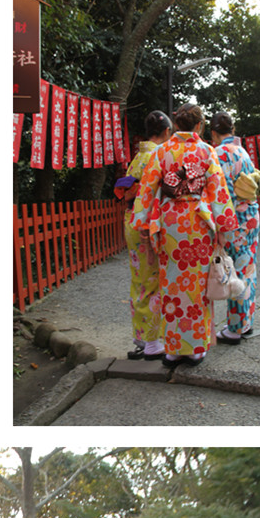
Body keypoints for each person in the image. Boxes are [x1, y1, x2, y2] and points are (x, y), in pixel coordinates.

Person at [131, 102, 238, 368]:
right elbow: (219, 192)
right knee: (198, 286)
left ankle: (173, 349)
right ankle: (195, 349)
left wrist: (143, 224)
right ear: (200, 126)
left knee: (171, 284)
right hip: (199, 223)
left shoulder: (163, 151)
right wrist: (224, 228)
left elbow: (146, 190)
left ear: (176, 124)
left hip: (170, 224)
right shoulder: (207, 151)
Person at [114, 110, 173, 359]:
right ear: (167, 132)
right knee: (152, 281)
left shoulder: (138, 156)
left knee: (139, 279)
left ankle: (140, 335)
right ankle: (151, 342)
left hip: (131, 221)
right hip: (147, 223)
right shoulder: (158, 155)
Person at [209, 111, 260, 343]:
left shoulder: (218, 153)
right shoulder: (243, 151)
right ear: (232, 130)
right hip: (251, 217)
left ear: (213, 132)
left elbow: (221, 194)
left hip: (234, 221)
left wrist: (218, 225)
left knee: (235, 273)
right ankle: (246, 323)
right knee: (247, 270)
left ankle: (236, 328)